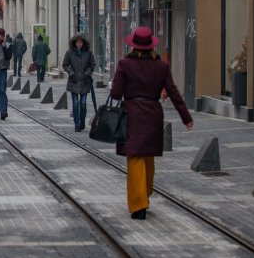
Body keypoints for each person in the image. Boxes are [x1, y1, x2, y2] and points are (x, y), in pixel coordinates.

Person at [109, 27, 193, 220]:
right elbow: (173, 92)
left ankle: (139, 203)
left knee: (135, 158)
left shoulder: (124, 64)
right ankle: (145, 193)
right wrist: (186, 118)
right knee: (147, 157)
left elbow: (115, 93)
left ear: (133, 45)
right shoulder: (161, 66)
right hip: (153, 114)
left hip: (132, 114)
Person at [62, 33, 95, 132]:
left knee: (83, 104)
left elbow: (92, 65)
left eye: (81, 42)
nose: (79, 44)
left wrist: (87, 73)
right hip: (74, 81)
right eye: (77, 42)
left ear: (83, 43)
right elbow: (65, 64)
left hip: (84, 81)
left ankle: (82, 122)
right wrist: (71, 73)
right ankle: (77, 124)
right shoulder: (69, 53)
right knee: (75, 104)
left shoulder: (88, 53)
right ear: (74, 43)